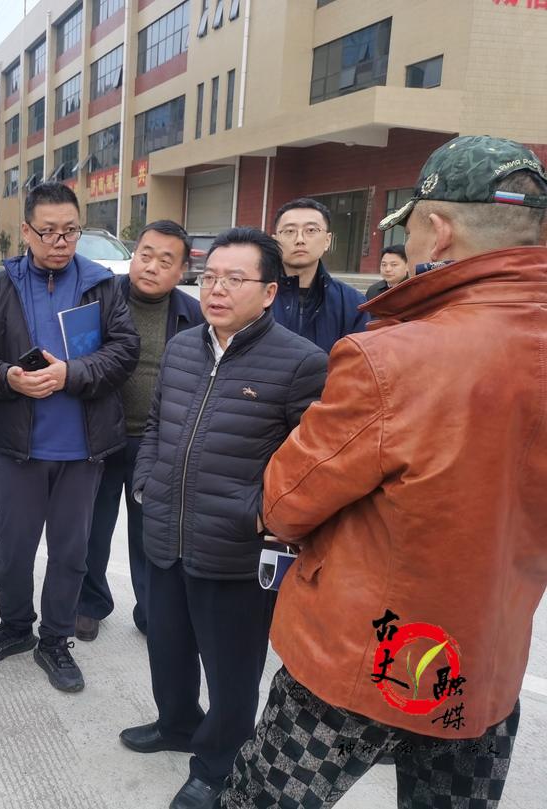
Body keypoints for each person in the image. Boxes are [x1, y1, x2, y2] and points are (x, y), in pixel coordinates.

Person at [219, 135, 547, 808]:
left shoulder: (394, 357)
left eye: (413, 224)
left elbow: (287, 500)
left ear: (440, 230)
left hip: (358, 653)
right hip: (485, 659)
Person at [126, 228, 326, 809]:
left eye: (234, 280)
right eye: (210, 277)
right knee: (166, 645)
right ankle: (176, 723)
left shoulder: (301, 362)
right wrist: (146, 482)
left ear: (268, 292)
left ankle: (218, 765)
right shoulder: (183, 347)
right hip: (165, 531)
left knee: (231, 670)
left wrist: (259, 512)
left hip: (235, 546)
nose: (216, 290)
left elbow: (310, 461)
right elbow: (157, 425)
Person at [0, 182, 139, 692]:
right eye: (49, 232)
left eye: (70, 231)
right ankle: (15, 626)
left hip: (82, 450)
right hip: (19, 447)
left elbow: (124, 351)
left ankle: (55, 639)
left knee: (70, 553)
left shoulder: (101, 283)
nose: (61, 242)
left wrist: (72, 374)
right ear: (26, 231)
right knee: (13, 549)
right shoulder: (1, 286)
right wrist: (9, 378)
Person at [76, 220, 203, 641]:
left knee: (151, 532)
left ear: (182, 271)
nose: (151, 266)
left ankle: (152, 611)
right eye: (145, 255)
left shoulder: (193, 315)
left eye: (166, 261)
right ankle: (89, 604)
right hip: (100, 434)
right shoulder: (99, 300)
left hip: (158, 442)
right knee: (93, 526)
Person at [271, 198, 368, 352]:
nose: (300, 240)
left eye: (311, 230)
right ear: (275, 241)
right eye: (289, 231)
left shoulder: (352, 303)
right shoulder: (255, 296)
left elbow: (358, 360)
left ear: (327, 240)